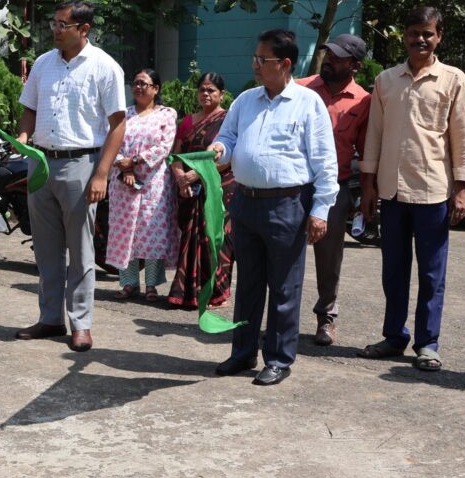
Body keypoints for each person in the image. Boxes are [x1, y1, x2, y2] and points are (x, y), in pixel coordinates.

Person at [208, 29, 338, 386]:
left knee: (284, 286)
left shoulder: (308, 103)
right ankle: (243, 352)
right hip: (245, 203)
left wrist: (320, 210)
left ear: (285, 63)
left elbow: (325, 161)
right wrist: (220, 150)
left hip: (288, 205)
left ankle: (279, 358)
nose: (255, 65)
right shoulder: (245, 101)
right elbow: (228, 139)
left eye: (262, 59)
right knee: (248, 283)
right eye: (255, 58)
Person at [359, 6, 465, 372]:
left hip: (433, 191)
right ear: (403, 36)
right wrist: (368, 184)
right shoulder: (387, 80)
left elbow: (461, 137)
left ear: (439, 36)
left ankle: (427, 343)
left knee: (431, 274)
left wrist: (461, 188)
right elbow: (374, 134)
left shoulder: (453, 79)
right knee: (393, 271)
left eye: (428, 33)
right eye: (413, 33)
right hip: (391, 192)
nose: (420, 39)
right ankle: (395, 336)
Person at [14, 0, 126, 353]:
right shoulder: (43, 64)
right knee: (46, 249)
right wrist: (22, 137)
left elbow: (118, 124)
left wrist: (102, 174)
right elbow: (29, 109)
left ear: (84, 29)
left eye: (63, 25)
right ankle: (50, 319)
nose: (56, 30)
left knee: (80, 250)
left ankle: (81, 323)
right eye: (54, 23)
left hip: (81, 164)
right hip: (41, 163)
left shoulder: (105, 67)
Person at [296, 34, 371, 346]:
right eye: (328, 55)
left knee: (329, 257)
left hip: (334, 189)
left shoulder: (363, 101)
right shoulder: (300, 88)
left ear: (354, 65)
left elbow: (365, 152)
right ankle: (280, 317)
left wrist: (367, 195)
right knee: (283, 254)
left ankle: (326, 317)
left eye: (338, 58)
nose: (329, 61)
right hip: (293, 186)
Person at [105, 68, 179, 301]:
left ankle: (152, 285)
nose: (138, 87)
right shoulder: (123, 115)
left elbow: (164, 146)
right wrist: (125, 168)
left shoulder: (166, 114)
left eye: (143, 83)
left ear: (155, 89)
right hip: (123, 183)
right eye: (135, 83)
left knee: (152, 231)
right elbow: (111, 143)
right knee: (125, 232)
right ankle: (128, 283)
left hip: (153, 183)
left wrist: (135, 161)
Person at [167, 72, 234, 310]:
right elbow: (176, 155)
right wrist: (181, 178)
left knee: (216, 239)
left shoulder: (228, 121)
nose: (205, 94)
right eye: (202, 90)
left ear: (221, 94)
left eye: (211, 90)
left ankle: (217, 293)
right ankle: (187, 293)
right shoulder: (187, 121)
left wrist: (199, 174)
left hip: (218, 187)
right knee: (191, 237)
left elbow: (229, 157)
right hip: (189, 189)